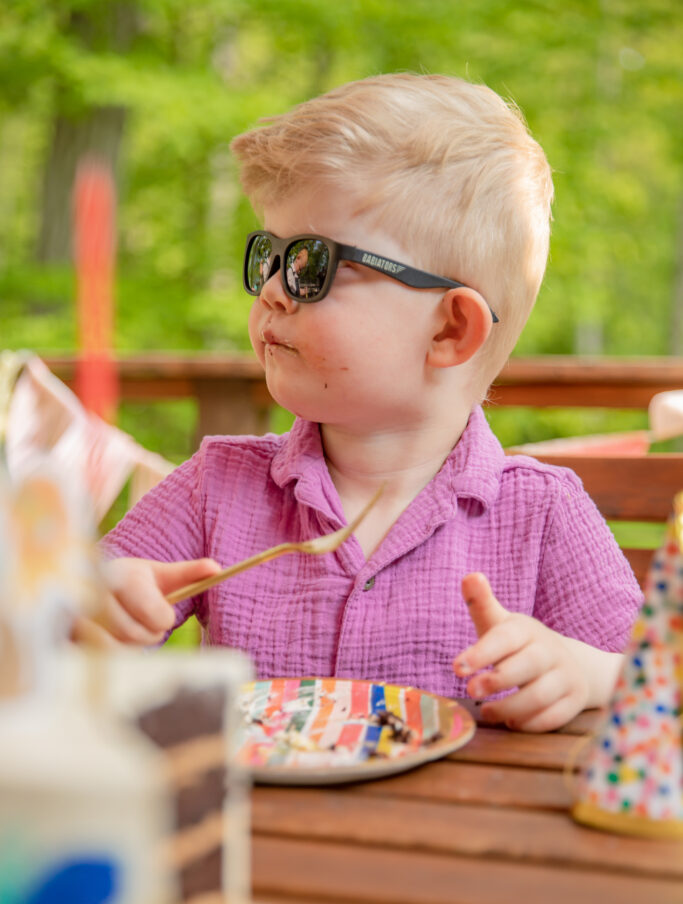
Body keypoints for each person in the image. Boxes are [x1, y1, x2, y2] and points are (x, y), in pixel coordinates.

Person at [87, 73, 642, 732]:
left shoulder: (541, 513)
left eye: (313, 265)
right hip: (258, 831)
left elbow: (657, 674)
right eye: (269, 255)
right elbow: (58, 615)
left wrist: (584, 673)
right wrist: (92, 608)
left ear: (448, 329)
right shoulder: (218, 485)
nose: (270, 290)